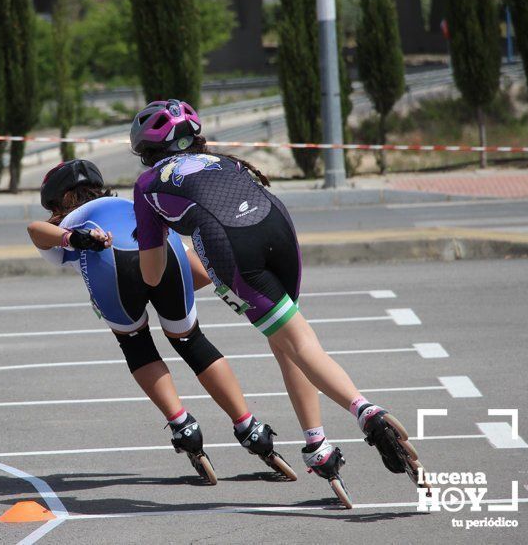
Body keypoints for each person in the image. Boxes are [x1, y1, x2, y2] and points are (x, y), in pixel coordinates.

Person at [129, 99, 426, 507]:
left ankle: (365, 411)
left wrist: (157, 255)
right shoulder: (222, 162)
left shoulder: (147, 186)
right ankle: (317, 445)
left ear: (146, 151)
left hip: (230, 245)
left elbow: (151, 273)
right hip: (276, 223)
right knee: (290, 341)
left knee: (297, 344)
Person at [27, 159, 297, 485]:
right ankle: (250, 428)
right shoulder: (130, 204)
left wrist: (73, 239)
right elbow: (199, 271)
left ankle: (183, 425)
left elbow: (36, 232)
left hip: (107, 261)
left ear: (56, 201)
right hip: (163, 251)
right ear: (99, 188)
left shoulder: (68, 221)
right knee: (191, 341)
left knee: (137, 345)